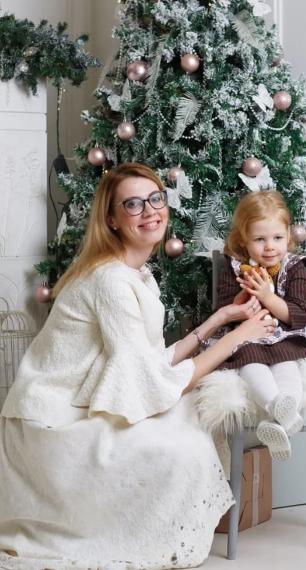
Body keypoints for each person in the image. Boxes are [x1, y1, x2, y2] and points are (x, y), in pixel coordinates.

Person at [0, 163, 275, 570]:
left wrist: (219, 320)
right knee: (182, 444)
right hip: (52, 422)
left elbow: (148, 363)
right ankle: (132, 535)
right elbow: (149, 380)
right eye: (133, 204)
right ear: (112, 219)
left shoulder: (135, 273)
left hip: (74, 404)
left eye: (155, 199)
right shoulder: (110, 281)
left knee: (192, 416)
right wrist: (239, 336)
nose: (150, 211)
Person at [214, 190, 306, 461]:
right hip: (248, 337)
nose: (270, 247)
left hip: (286, 334)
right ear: (243, 240)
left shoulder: (294, 266)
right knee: (250, 363)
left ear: (288, 235)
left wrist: (268, 297)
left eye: (277, 238)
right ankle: (280, 412)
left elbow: (300, 314)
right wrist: (243, 301)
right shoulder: (236, 268)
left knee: (288, 367)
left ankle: (278, 419)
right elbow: (226, 310)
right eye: (259, 239)